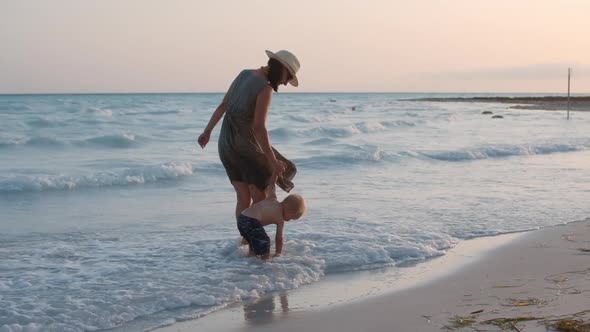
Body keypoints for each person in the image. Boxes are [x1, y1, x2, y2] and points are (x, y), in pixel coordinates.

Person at [197, 50, 301, 223]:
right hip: (245, 147)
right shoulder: (265, 88)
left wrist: (207, 131)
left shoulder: (244, 74)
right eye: (288, 78)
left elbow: (224, 105)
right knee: (260, 198)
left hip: (225, 144)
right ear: (282, 70)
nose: (285, 83)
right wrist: (273, 160)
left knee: (243, 198)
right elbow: (259, 128)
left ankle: (244, 243)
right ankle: (253, 245)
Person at [238, 172, 306, 259]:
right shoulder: (280, 220)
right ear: (291, 212)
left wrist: (276, 172)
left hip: (242, 218)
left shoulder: (272, 198)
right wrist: (278, 254)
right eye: (292, 218)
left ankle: (246, 259)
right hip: (252, 221)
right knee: (265, 243)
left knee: (254, 243)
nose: (289, 220)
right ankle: (264, 263)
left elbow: (272, 184)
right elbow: (279, 238)